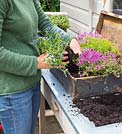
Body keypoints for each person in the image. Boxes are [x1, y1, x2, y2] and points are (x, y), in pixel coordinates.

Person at [0, 0, 81, 133]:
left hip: (32, 81)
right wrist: (36, 63)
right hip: (12, 91)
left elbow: (45, 24)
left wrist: (69, 39)